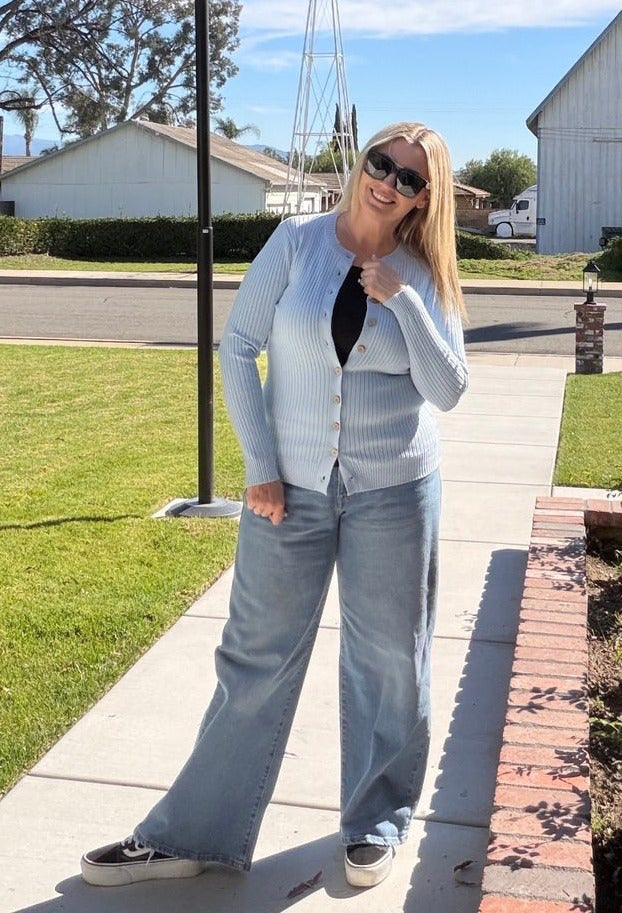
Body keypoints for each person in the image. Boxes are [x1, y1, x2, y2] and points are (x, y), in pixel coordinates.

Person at [80, 122, 469, 889]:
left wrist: (403, 303)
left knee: (389, 660)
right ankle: (193, 833)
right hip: (286, 490)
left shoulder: (425, 273)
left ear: (426, 201)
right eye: (380, 162)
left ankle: (376, 821)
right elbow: (236, 346)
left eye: (409, 179)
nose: (387, 180)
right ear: (362, 164)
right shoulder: (296, 241)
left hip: (394, 491)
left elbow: (448, 388)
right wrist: (259, 466)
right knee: (252, 657)